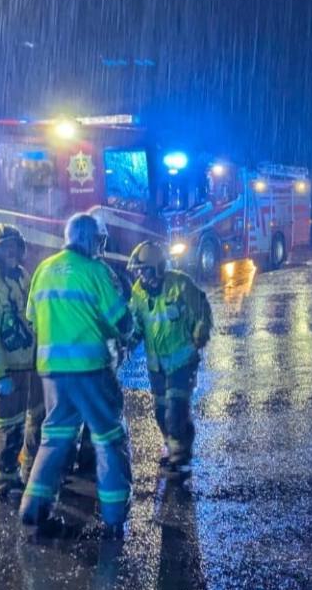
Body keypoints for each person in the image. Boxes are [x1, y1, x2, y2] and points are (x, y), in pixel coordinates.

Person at [20, 213, 136, 539]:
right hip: (90, 371)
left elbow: (32, 316)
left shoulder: (44, 269)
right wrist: (126, 330)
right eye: (99, 241)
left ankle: (33, 511)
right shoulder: (96, 271)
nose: (101, 247)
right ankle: (114, 517)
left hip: (52, 373)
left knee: (54, 439)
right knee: (109, 438)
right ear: (90, 239)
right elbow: (120, 320)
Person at [126, 241, 213, 477]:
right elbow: (136, 322)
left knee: (176, 408)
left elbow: (202, 309)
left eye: (145, 270)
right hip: (157, 365)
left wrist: (200, 333)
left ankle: (180, 457)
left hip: (183, 361)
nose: (141, 276)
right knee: (160, 411)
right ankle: (174, 445)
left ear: (158, 268)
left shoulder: (180, 284)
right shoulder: (138, 291)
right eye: (138, 271)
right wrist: (129, 342)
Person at [0, 224, 43, 500]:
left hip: (31, 363)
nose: (10, 252)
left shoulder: (23, 276)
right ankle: (5, 483)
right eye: (4, 248)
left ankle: (31, 470)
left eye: (14, 246)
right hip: (8, 368)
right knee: (7, 426)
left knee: (36, 419)